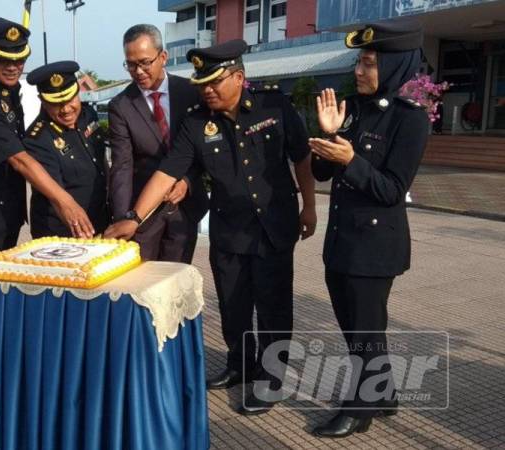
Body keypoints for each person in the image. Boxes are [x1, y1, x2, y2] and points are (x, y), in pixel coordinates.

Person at [105, 39, 317, 415]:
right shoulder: (197, 122)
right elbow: (167, 171)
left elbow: (301, 158)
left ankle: (270, 378)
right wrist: (133, 218)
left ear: (239, 76)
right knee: (234, 305)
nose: (207, 90)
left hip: (274, 227)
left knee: (273, 306)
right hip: (229, 229)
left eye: (215, 82)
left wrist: (310, 207)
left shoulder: (275, 105)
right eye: (202, 83)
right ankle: (239, 364)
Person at [307, 20, 429, 438]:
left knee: (364, 332)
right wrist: (329, 135)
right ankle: (385, 393)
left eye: (370, 63)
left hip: (375, 248)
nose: (359, 71)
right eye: (359, 61)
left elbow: (392, 190)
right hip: (341, 242)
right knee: (358, 329)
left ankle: (359, 410)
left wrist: (350, 161)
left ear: (394, 66)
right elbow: (323, 172)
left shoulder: (410, 121)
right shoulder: (351, 108)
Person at [0, 17, 94, 268]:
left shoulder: (6, 89)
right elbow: (20, 159)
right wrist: (66, 201)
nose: (13, 66)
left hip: (7, 209)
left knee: (4, 285)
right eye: (4, 59)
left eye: (20, 59)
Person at [108, 24, 209, 263]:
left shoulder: (192, 92)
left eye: (145, 62)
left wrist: (187, 180)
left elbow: (204, 148)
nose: (138, 71)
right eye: (130, 65)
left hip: (184, 207)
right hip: (144, 214)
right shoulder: (121, 106)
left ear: (163, 57)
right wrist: (124, 217)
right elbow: (122, 166)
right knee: (142, 284)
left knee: (176, 281)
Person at [23, 61, 109, 238]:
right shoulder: (37, 139)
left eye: (70, 100)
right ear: (43, 101)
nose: (66, 109)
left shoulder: (88, 115)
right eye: (57, 103)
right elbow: (56, 195)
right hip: (62, 234)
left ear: (78, 91)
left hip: (99, 222)